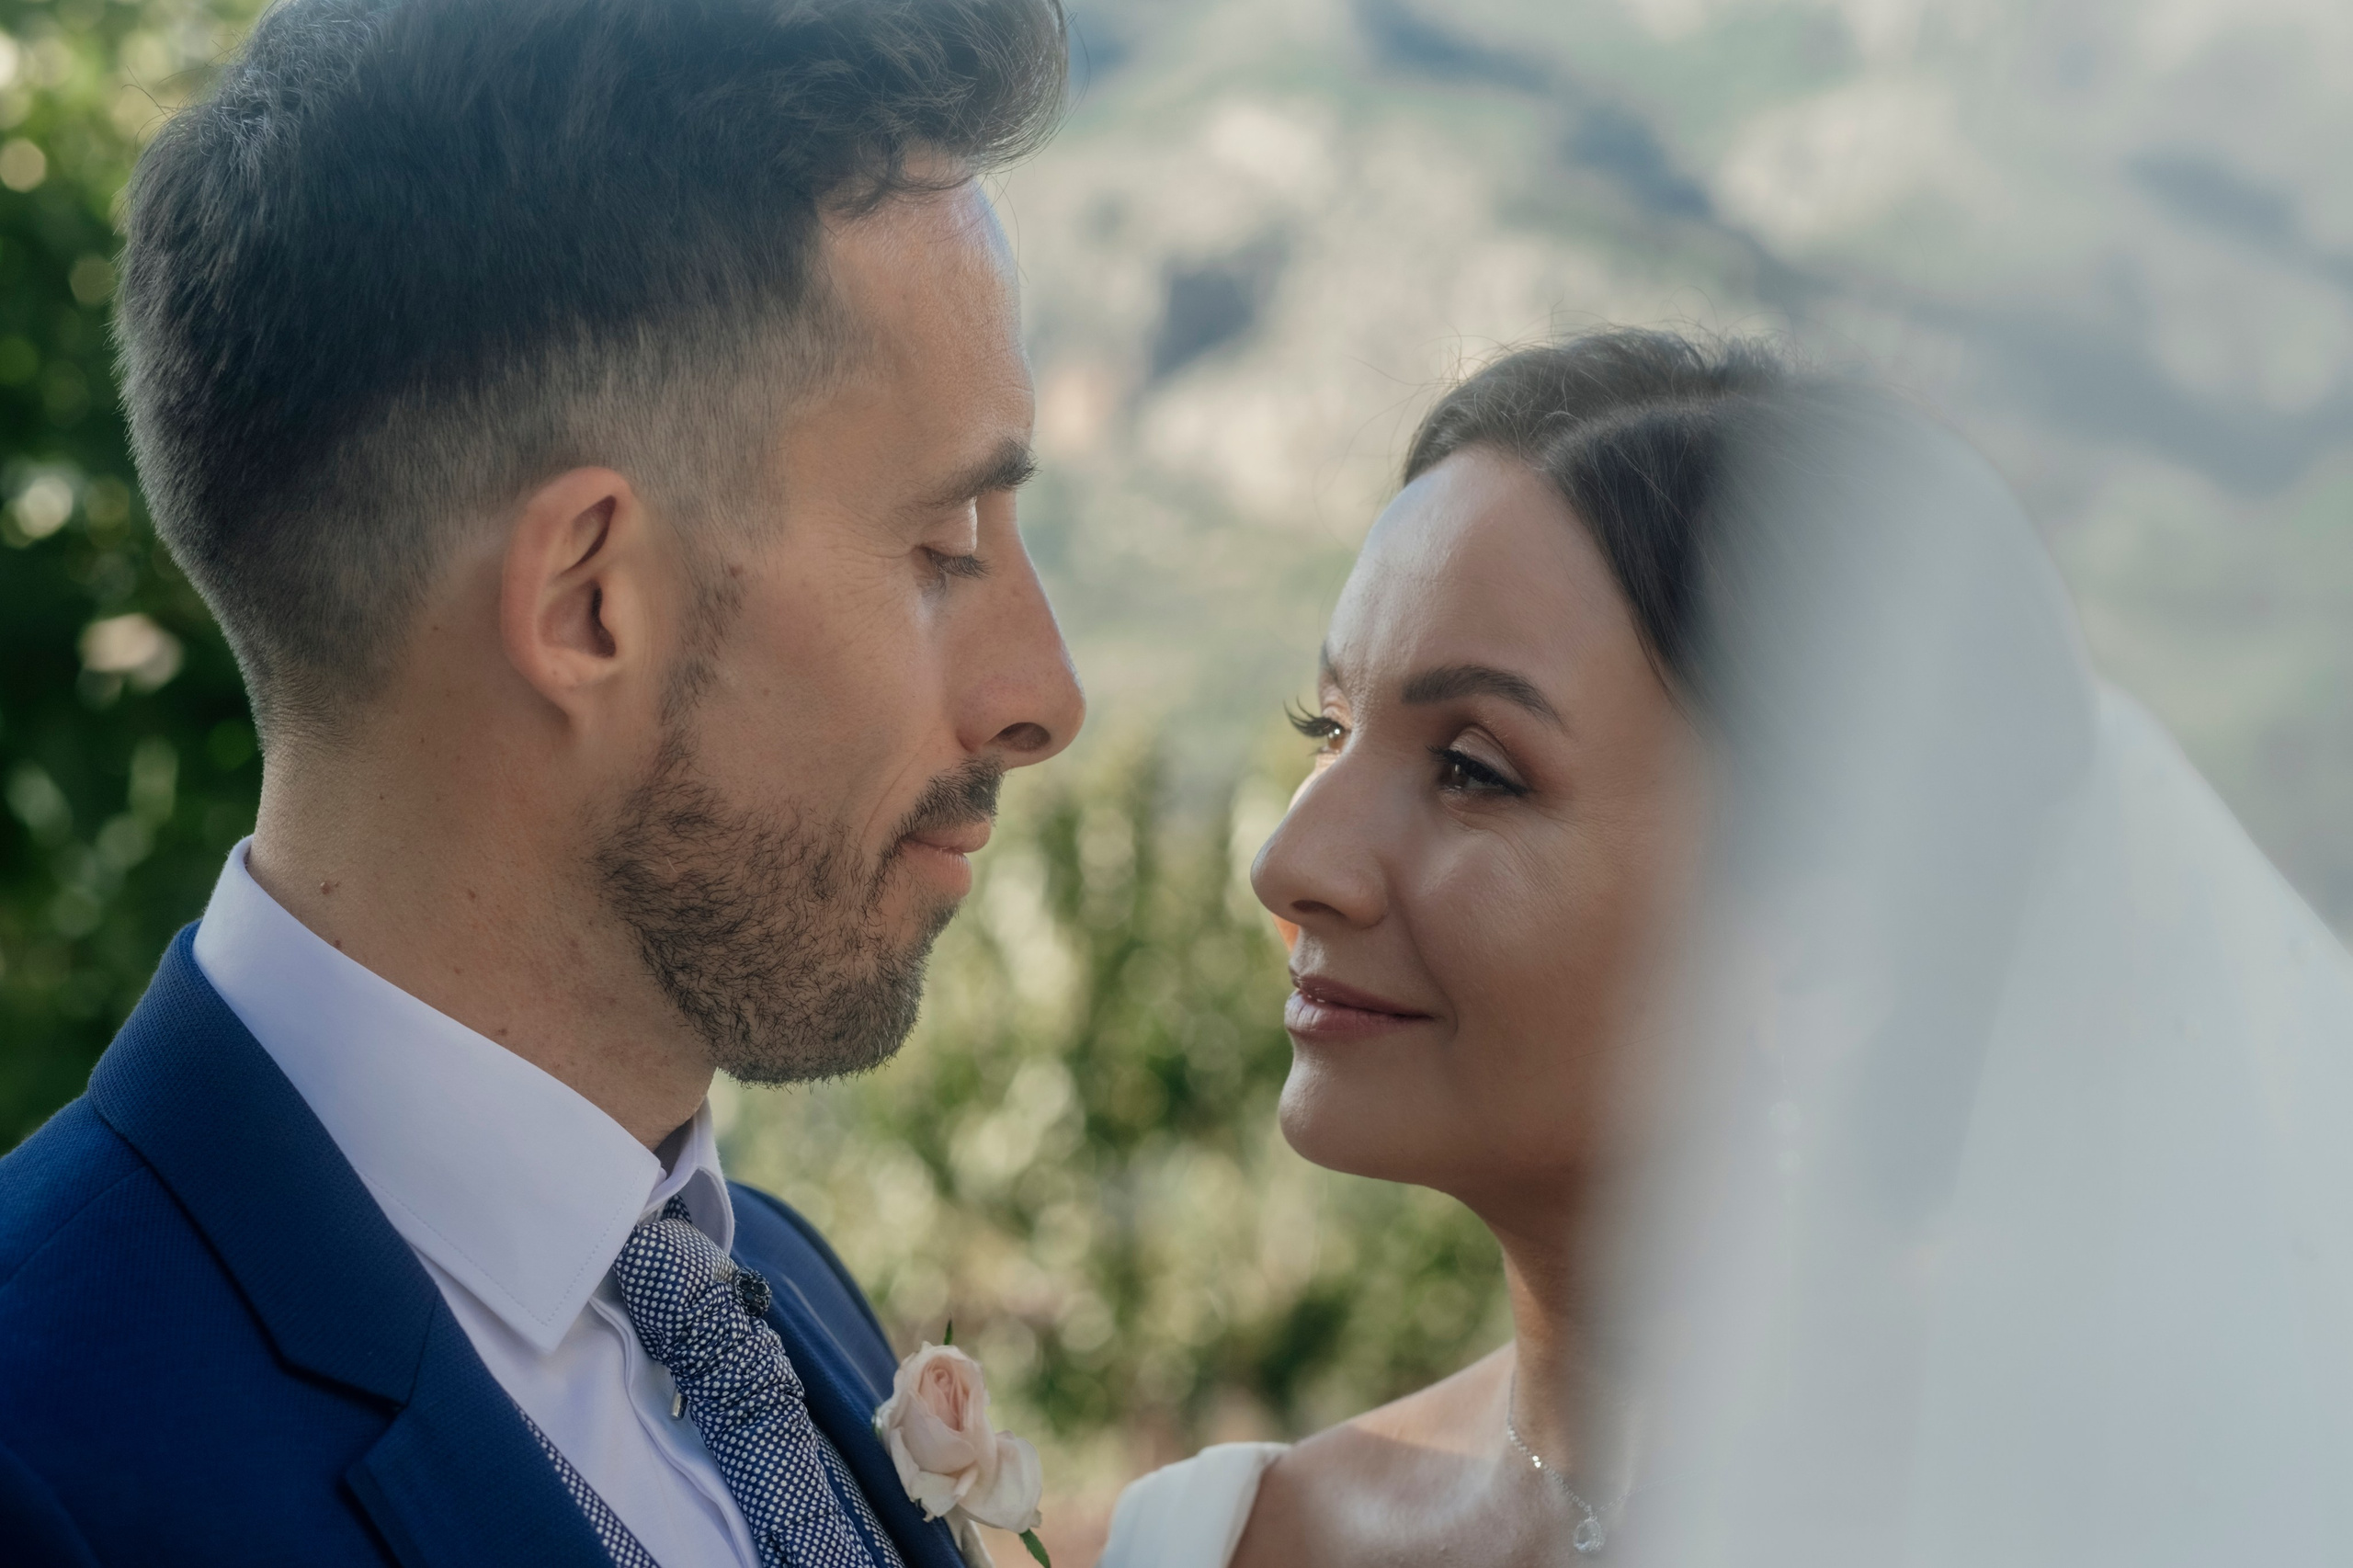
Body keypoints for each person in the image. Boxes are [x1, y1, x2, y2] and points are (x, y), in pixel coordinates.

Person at [0, 2, 1082, 1564]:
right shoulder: (47, 1459)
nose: (1045, 695)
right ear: (588, 603)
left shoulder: (789, 1295)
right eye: (947, 551)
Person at [1100, 329, 2353, 1567]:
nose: (1288, 863)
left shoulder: (2151, 1528)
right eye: (1327, 724)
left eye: (1474, 771)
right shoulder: (1216, 1542)